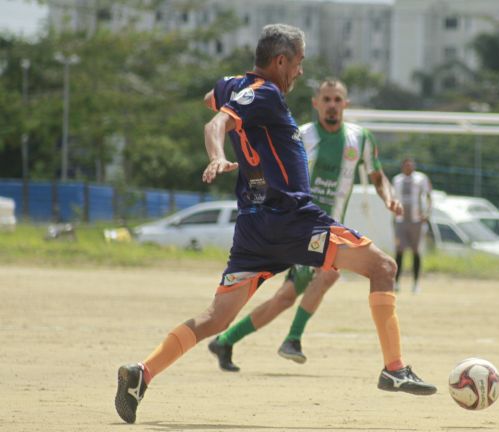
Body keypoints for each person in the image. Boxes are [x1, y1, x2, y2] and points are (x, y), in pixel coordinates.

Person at [114, 24, 436, 425]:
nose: (300, 72)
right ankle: (395, 369)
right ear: (280, 61)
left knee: (217, 317)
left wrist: (236, 98)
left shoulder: (237, 86)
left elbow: (209, 100)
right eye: (298, 63)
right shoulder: (264, 94)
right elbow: (214, 125)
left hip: (253, 225)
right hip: (292, 219)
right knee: (383, 268)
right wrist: (216, 154)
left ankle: (140, 374)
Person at [208, 78, 401, 372]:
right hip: (299, 225)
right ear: (316, 103)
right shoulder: (302, 135)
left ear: (345, 104)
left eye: (337, 100)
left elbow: (378, 177)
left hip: (327, 229)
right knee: (324, 279)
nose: (332, 105)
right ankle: (291, 339)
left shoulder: (360, 139)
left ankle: (228, 340)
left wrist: (389, 198)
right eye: (326, 99)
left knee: (286, 297)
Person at [392, 158, 432, 294]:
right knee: (399, 251)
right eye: (406, 165)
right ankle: (396, 282)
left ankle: (416, 284)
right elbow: (393, 198)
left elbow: (428, 196)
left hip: (416, 220)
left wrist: (427, 213)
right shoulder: (397, 180)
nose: (409, 167)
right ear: (403, 166)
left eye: (411, 165)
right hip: (401, 220)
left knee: (416, 251)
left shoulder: (421, 179)